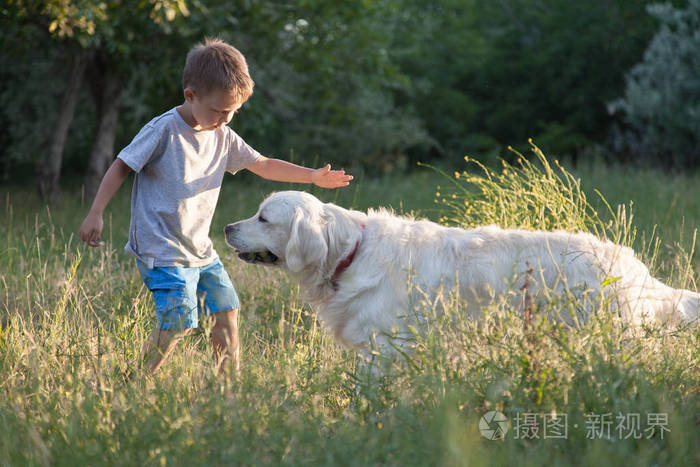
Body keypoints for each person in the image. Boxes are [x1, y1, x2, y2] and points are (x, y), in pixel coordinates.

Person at [79, 37, 352, 375]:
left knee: (227, 310)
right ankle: (133, 380)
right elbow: (122, 164)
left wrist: (311, 176)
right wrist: (96, 212)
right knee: (178, 322)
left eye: (232, 112)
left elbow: (263, 164)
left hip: (200, 249)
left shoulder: (222, 134)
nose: (225, 119)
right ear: (190, 95)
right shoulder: (164, 130)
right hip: (162, 250)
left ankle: (227, 386)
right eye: (219, 111)